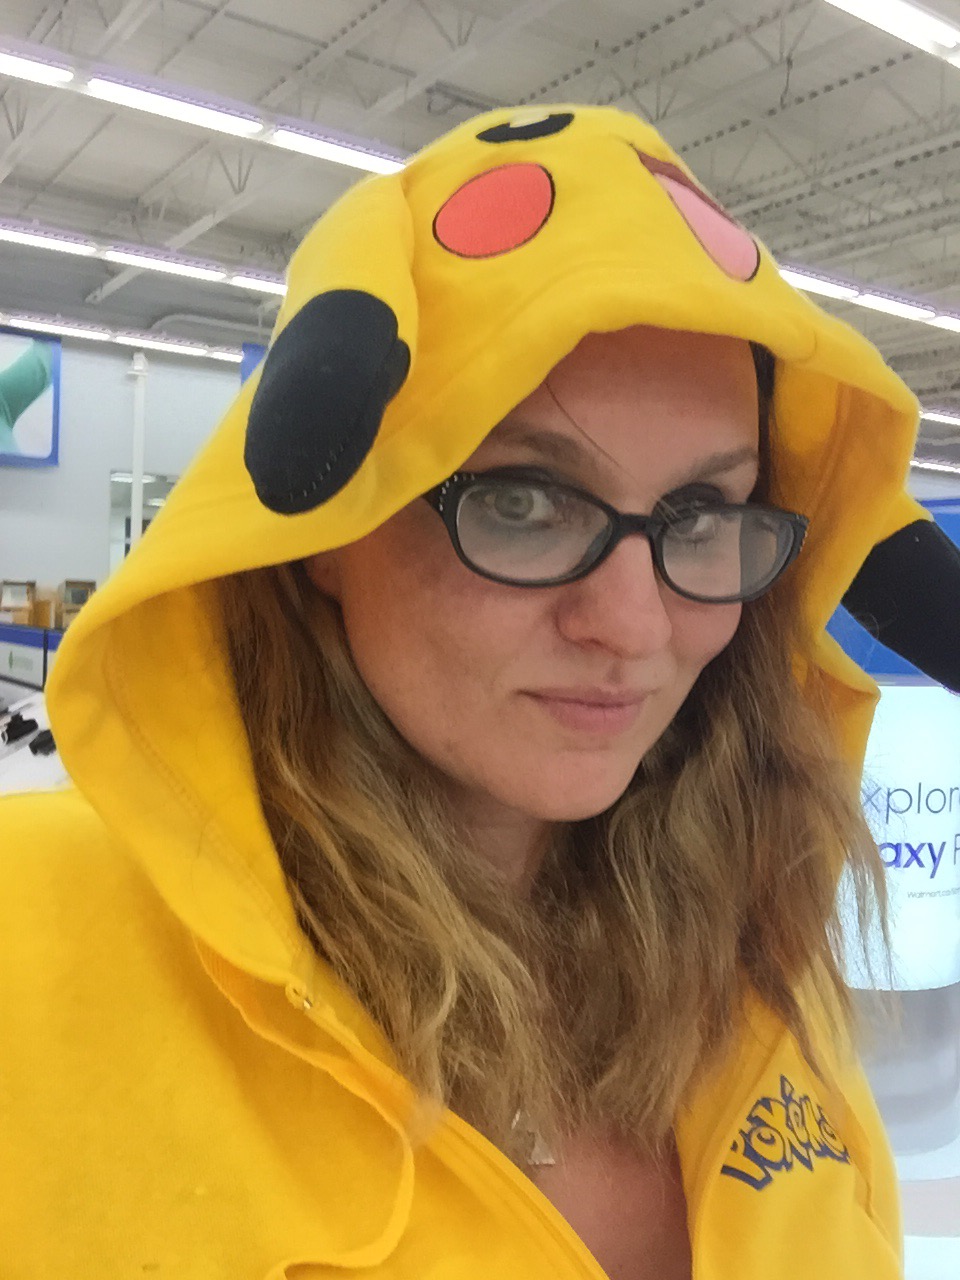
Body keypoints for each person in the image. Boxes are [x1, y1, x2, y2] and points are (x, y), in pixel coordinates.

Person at [0, 104, 933, 1279]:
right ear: (326, 534)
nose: (634, 625)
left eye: (703, 513)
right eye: (523, 499)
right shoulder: (29, 941)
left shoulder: (751, 953)